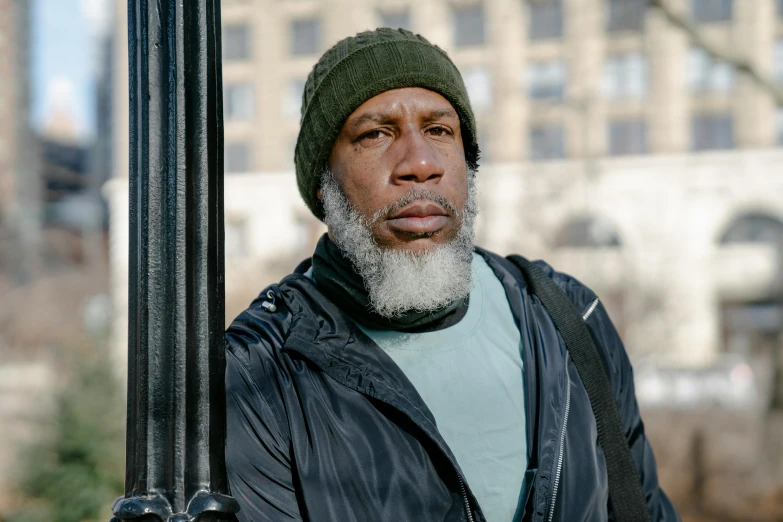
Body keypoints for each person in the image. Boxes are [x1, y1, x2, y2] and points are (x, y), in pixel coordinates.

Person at [224, 28, 679, 522]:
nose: (420, 163)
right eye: (376, 133)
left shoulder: (567, 316)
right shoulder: (259, 370)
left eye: (440, 130)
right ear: (322, 187)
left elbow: (643, 508)